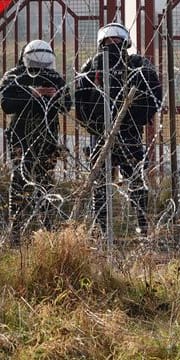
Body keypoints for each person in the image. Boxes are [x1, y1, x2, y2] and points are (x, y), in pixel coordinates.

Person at [75, 22, 162, 236]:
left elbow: (154, 96)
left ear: (125, 43)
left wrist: (136, 118)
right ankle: (103, 228)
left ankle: (142, 225)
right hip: (100, 133)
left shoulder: (137, 65)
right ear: (101, 43)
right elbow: (80, 101)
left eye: (117, 41)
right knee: (100, 181)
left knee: (136, 178)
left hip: (130, 131)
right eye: (108, 41)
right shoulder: (92, 67)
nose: (112, 45)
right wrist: (94, 125)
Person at [0, 39, 72, 246]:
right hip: (21, 138)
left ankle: (47, 230)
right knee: (19, 180)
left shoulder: (54, 78)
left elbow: (67, 104)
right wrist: (33, 94)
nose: (40, 70)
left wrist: (56, 96)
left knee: (46, 183)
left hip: (47, 139)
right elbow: (6, 104)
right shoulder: (15, 76)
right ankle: (16, 230)